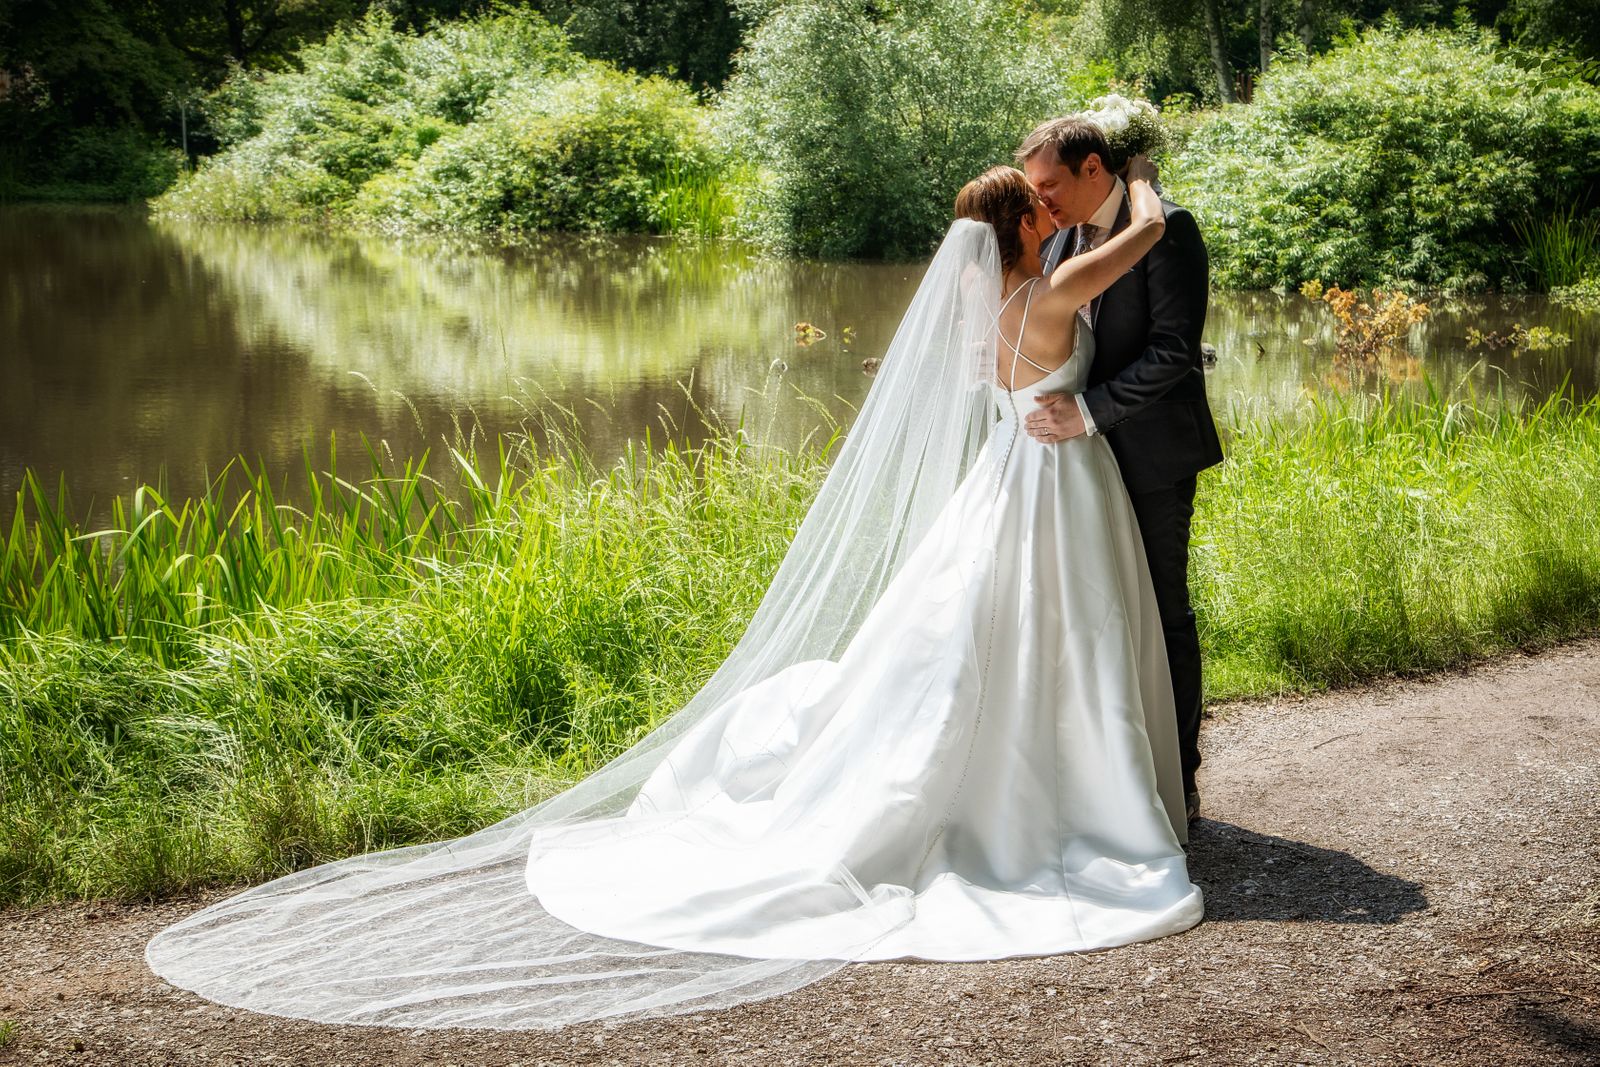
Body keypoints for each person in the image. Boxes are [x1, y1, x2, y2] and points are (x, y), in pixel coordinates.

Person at [144, 161, 1203, 1033]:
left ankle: (1020, 774)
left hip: (1005, 477)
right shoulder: (1054, 292)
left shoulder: (982, 309)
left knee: (989, 629)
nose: (1051, 209)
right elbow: (1148, 232)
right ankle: (1077, 785)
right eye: (1039, 204)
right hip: (1061, 478)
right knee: (1070, 631)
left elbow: (984, 372)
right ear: (1026, 228)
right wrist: (1144, 177)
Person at [1018, 118, 1224, 822]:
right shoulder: (1059, 238)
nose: (1041, 198)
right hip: (1080, 470)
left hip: (1151, 456)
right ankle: (1107, 774)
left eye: (1050, 183)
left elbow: (1173, 352)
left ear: (1093, 167)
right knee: (1092, 614)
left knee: (1162, 611)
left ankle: (1179, 779)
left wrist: (1087, 411)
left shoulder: (1170, 229)